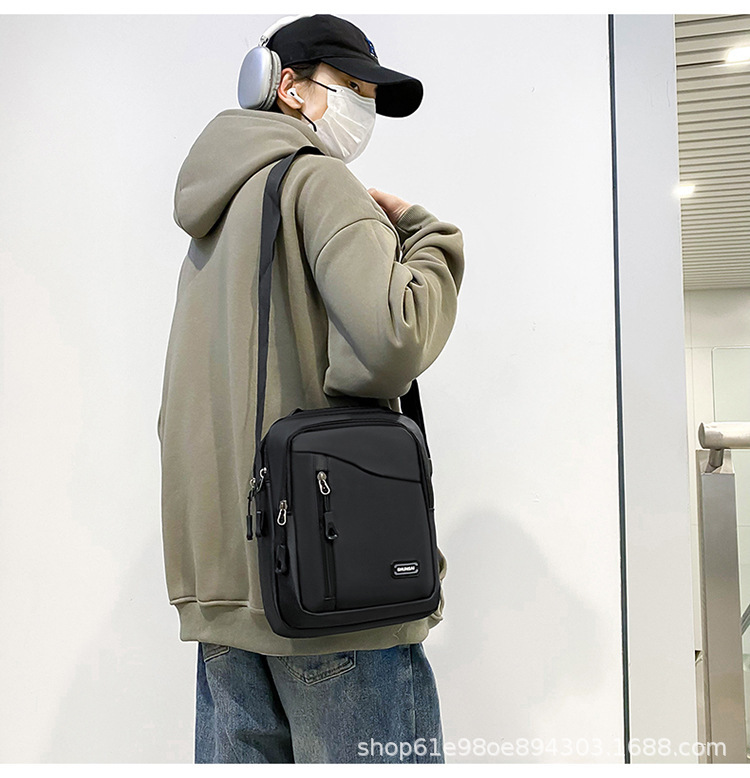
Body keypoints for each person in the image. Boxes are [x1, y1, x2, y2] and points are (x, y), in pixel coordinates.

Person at [157, 13, 465, 764]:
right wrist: (429, 241)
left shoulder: (215, 212)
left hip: (226, 596)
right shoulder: (318, 180)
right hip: (330, 589)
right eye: (350, 86)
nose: (362, 107)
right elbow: (391, 342)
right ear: (286, 85)